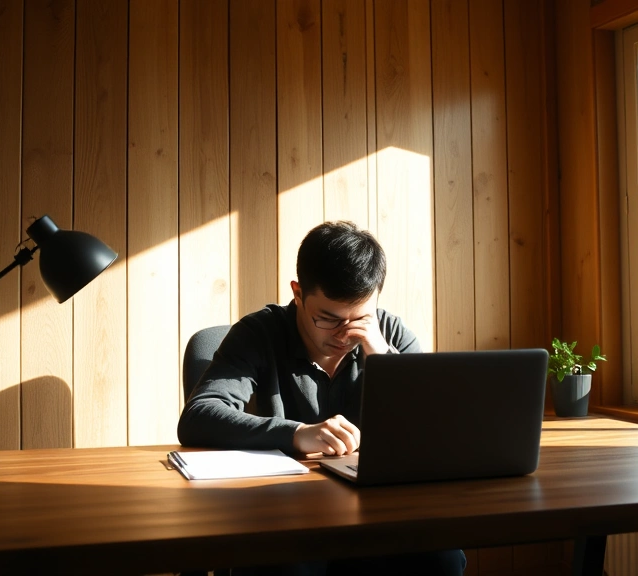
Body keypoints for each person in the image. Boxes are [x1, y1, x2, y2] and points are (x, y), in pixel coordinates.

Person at [178, 221, 466, 576]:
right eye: (328, 319)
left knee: (442, 559)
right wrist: (297, 433)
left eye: (360, 317)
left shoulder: (390, 333)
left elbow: (431, 433)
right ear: (298, 293)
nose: (345, 334)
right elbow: (199, 416)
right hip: (282, 515)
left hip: (375, 514)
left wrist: (384, 363)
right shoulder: (259, 334)